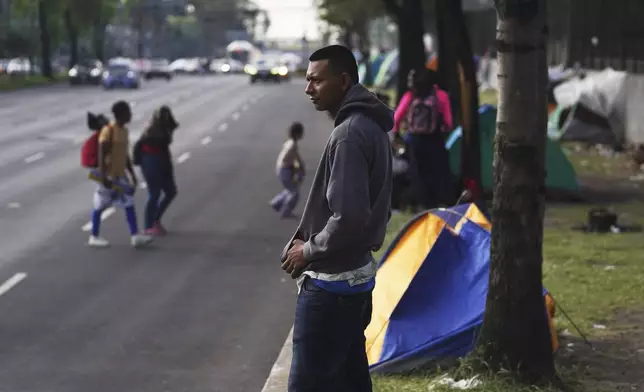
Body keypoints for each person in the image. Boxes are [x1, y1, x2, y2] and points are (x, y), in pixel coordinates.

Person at [280, 45, 394, 392]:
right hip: (356, 279)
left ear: (343, 81)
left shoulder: (348, 135)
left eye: (316, 80)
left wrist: (308, 251)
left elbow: (348, 218)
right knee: (350, 381)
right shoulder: (370, 126)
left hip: (331, 287)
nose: (308, 88)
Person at [88, 100, 152, 248]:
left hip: (119, 175)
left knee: (128, 202)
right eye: (128, 112)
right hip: (108, 176)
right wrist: (104, 177)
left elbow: (125, 154)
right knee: (101, 205)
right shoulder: (109, 130)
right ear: (121, 114)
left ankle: (135, 236)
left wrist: (132, 174)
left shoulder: (124, 131)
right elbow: (101, 153)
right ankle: (94, 236)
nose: (130, 114)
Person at [392, 68, 454, 209]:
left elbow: (396, 118)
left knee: (417, 171)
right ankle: (439, 201)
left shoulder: (410, 96)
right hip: (435, 138)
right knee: (437, 170)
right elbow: (448, 122)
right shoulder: (441, 96)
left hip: (415, 140)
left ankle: (420, 202)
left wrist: (398, 134)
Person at [135, 105, 179, 235]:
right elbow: (148, 143)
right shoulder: (152, 130)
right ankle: (148, 225)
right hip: (151, 161)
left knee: (171, 191)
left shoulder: (165, 128)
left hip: (162, 160)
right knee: (154, 193)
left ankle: (155, 219)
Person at [270, 121, 305, 219]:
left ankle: (276, 203)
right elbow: (292, 157)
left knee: (290, 189)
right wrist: (298, 167)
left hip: (281, 169)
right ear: (297, 134)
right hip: (284, 170)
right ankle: (285, 212)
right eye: (301, 133)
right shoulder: (292, 145)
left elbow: (295, 157)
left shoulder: (289, 142)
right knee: (294, 192)